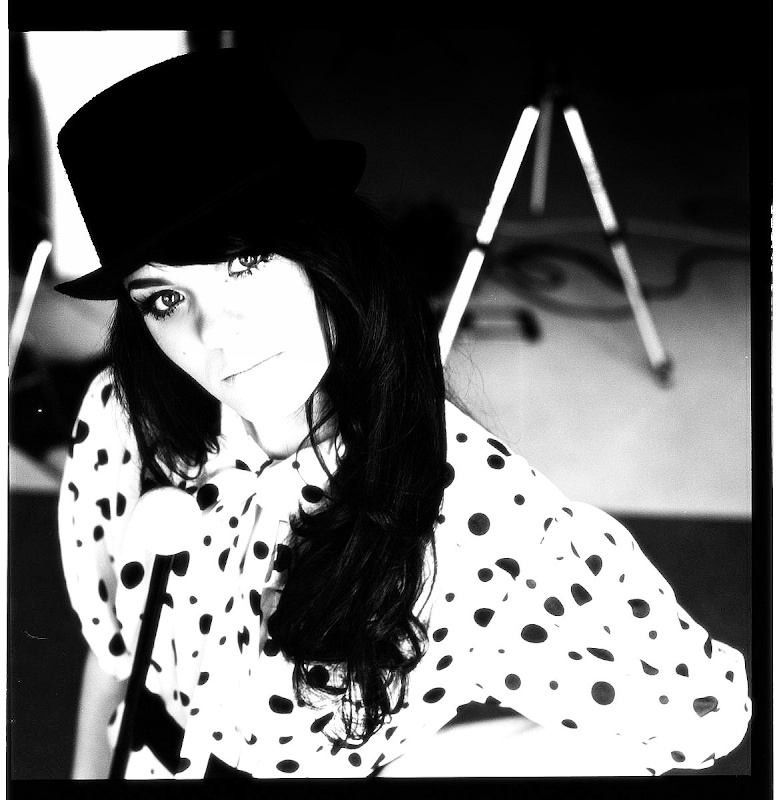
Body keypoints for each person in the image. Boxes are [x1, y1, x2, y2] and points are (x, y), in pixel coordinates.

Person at [55, 48, 751, 780]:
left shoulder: (476, 517)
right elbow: (113, 657)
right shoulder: (126, 416)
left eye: (246, 261)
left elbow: (700, 712)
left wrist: (416, 769)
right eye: (166, 298)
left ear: (327, 249)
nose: (215, 336)